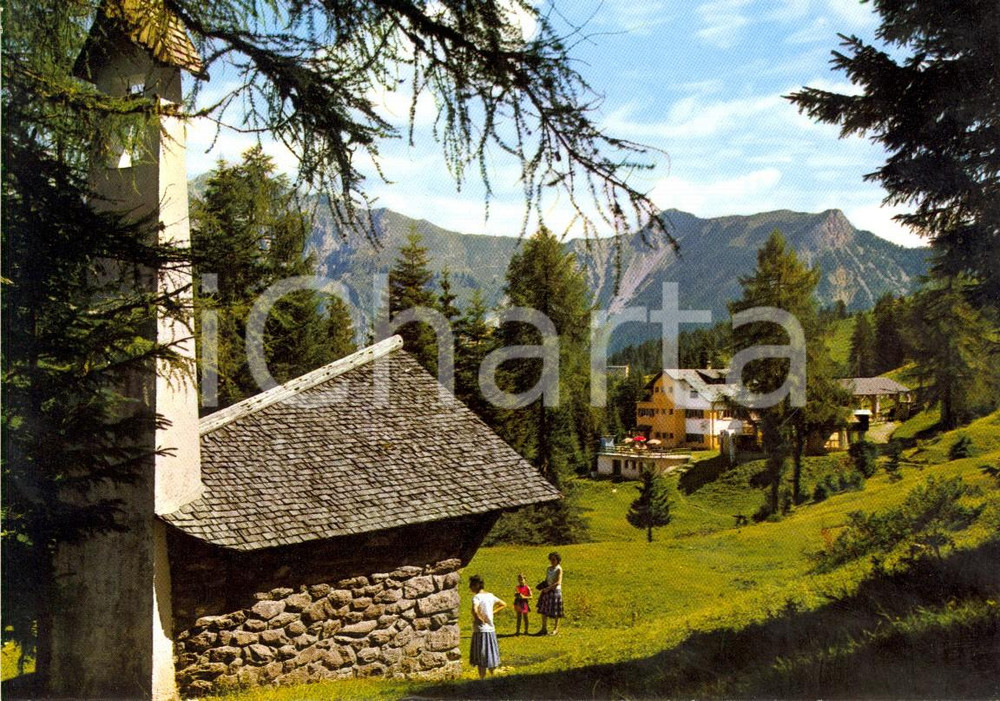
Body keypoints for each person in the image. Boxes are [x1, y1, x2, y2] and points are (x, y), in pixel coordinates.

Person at [469, 574, 506, 678]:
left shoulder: (476, 597)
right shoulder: (490, 596)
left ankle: (482, 679)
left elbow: (474, 610)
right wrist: (492, 612)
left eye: (471, 584)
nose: (470, 587)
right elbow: (503, 604)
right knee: (490, 655)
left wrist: (478, 618)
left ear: (477, 585)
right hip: (490, 630)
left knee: (481, 657)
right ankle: (493, 678)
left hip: (480, 631)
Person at [536, 551, 564, 635]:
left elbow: (558, 582)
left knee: (556, 611)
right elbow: (547, 579)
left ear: (558, 560)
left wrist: (548, 588)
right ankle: (543, 628)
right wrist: (542, 585)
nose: (552, 561)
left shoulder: (559, 569)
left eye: (553, 559)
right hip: (547, 590)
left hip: (555, 591)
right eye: (550, 559)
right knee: (543, 609)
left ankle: (556, 629)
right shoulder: (549, 568)